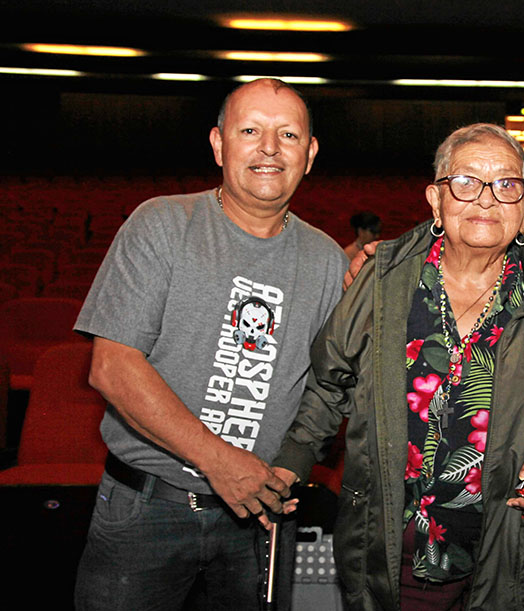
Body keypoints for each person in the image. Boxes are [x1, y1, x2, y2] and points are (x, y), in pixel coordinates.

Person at [73, 78, 348, 610]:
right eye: (250, 130)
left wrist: (287, 470)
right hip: (145, 511)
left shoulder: (327, 261)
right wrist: (221, 462)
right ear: (219, 144)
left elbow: (327, 391)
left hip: (260, 518)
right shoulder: (161, 224)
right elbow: (112, 367)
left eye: (288, 135)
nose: (270, 148)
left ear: (309, 155)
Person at [272, 124, 524, 610]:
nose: (486, 200)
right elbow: (330, 382)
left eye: (506, 185)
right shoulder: (383, 280)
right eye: (466, 181)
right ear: (435, 199)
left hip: (499, 551)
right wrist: (291, 464)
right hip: (385, 547)